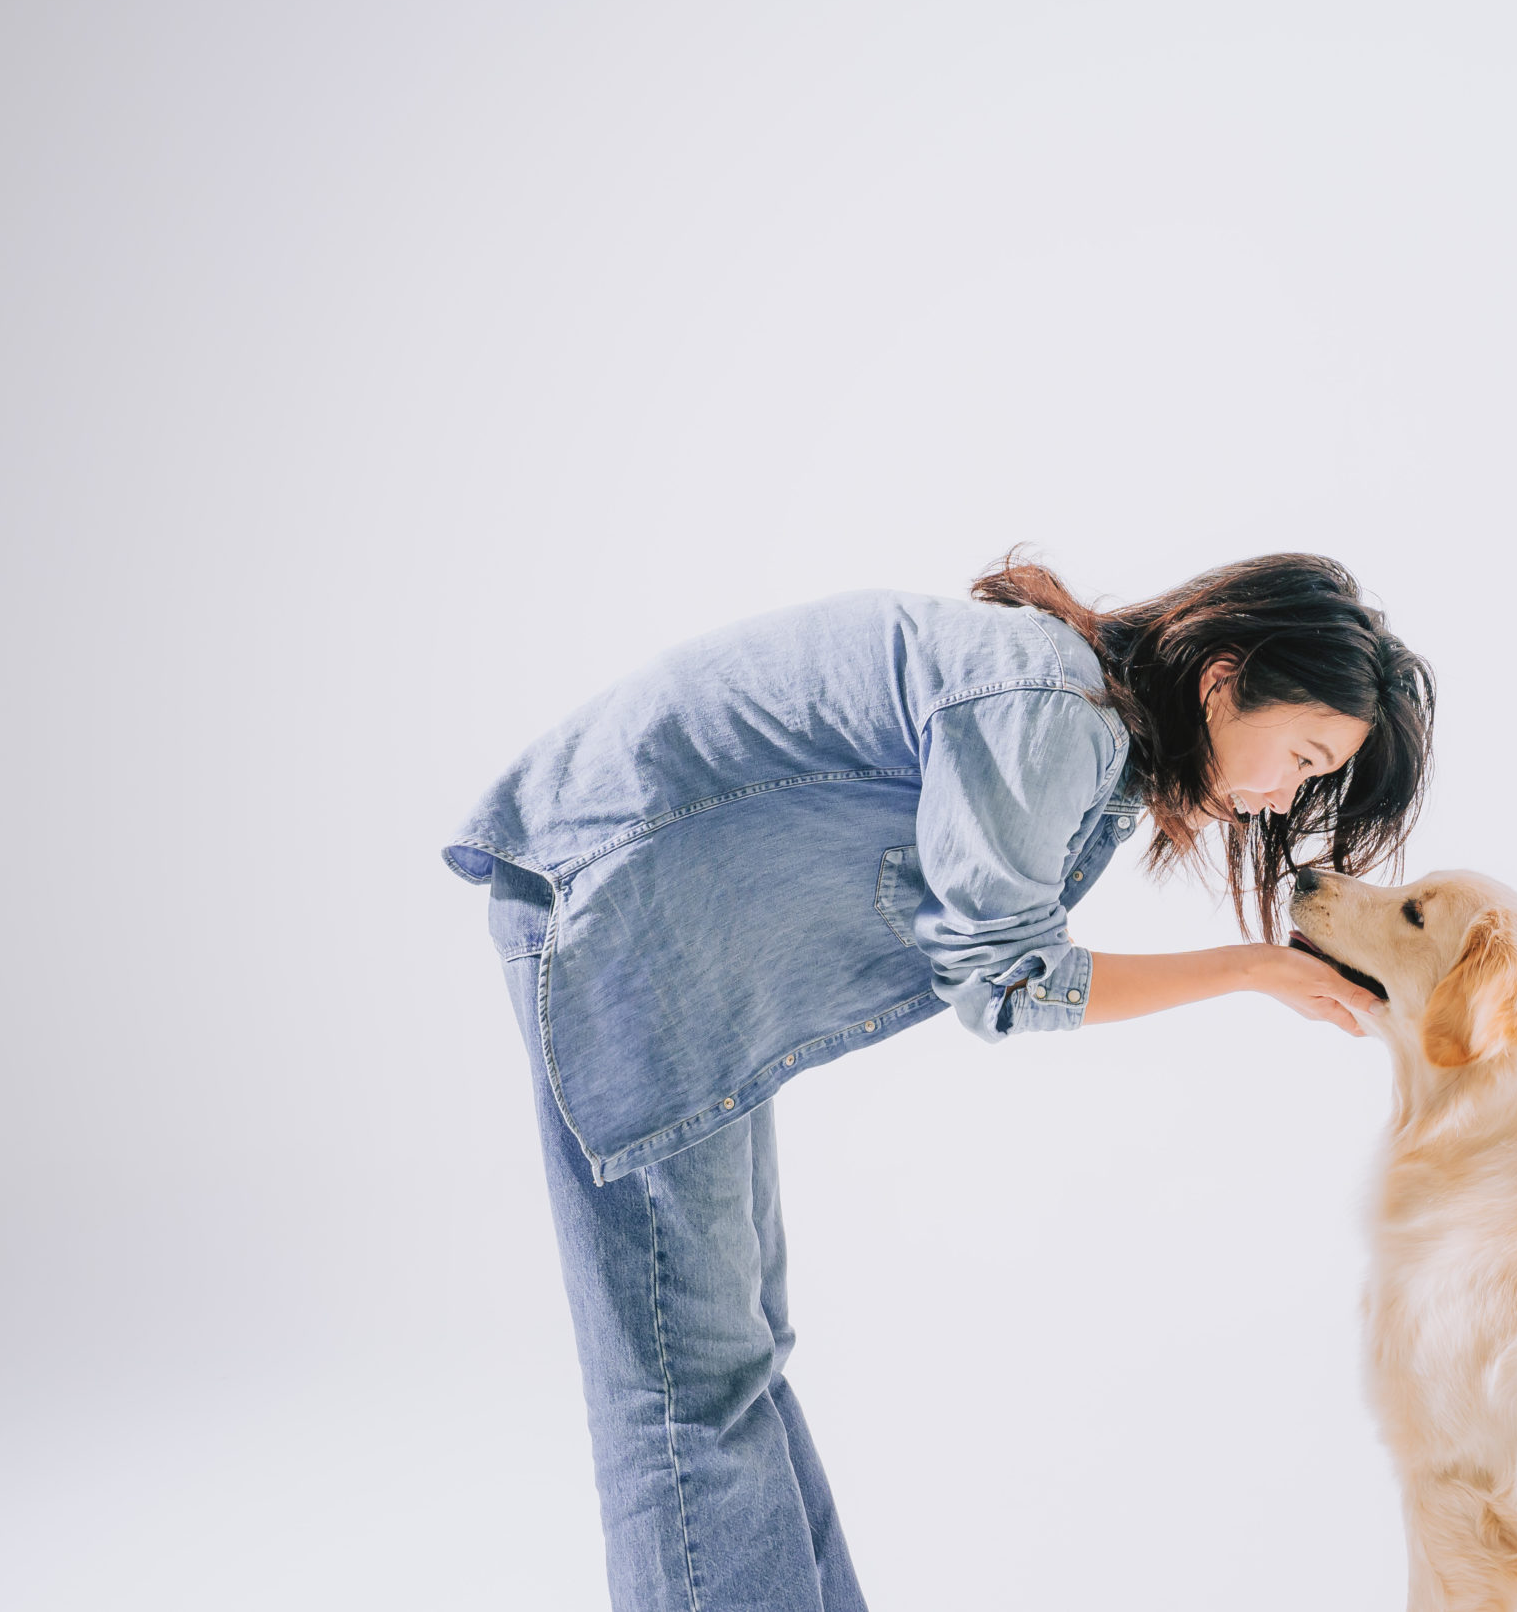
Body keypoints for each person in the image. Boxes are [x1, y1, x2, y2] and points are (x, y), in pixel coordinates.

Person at [442, 551, 1436, 1611]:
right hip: (618, 926)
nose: (1284, 796)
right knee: (685, 1391)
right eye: (1302, 754)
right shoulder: (1049, 706)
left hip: (686, 959)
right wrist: (1251, 969)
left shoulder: (1069, 712)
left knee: (734, 1365)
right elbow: (1004, 982)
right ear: (1222, 680)